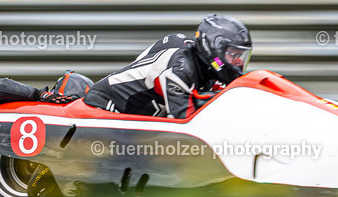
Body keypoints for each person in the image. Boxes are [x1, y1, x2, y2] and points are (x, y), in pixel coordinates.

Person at [82, 14, 252, 119]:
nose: (238, 62)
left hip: (136, 117)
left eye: (240, 55)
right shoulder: (180, 69)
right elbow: (185, 119)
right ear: (214, 49)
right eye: (233, 54)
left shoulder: (206, 69)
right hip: (107, 106)